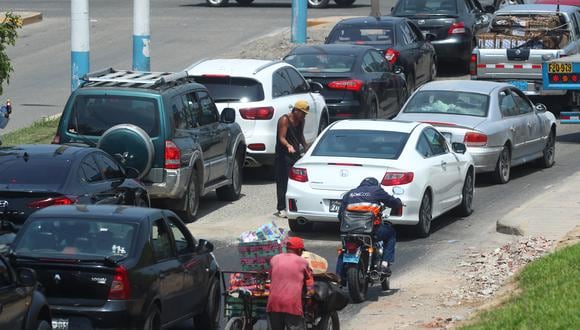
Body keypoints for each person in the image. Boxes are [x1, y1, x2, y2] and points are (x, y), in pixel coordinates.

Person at [336, 177, 403, 279]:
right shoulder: (376, 190)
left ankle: (338, 278)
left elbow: (340, 215)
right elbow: (392, 202)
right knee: (391, 234)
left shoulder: (349, 193)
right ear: (376, 185)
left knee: (345, 250)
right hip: (371, 231)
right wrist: (398, 202)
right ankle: (384, 265)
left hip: (350, 232)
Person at [267, 237, 315, 330]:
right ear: (299, 250)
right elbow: (309, 282)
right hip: (292, 304)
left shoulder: (275, 259)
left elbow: (270, 278)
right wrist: (310, 294)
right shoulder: (303, 262)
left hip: (273, 303)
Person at [273, 100, 309, 218]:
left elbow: (300, 135)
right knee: (283, 181)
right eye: (302, 113)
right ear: (296, 110)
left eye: (305, 114)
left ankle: (294, 206)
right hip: (283, 154)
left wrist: (305, 146)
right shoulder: (284, 120)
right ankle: (281, 208)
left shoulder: (301, 120)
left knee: (295, 180)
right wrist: (288, 145)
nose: (304, 115)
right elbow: (281, 137)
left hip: (295, 154)